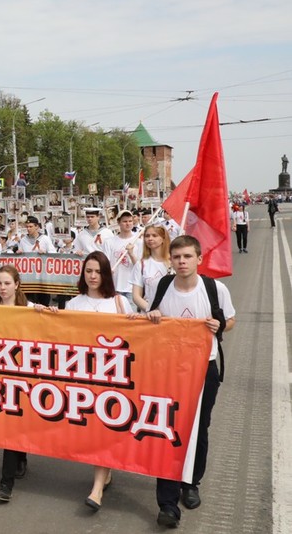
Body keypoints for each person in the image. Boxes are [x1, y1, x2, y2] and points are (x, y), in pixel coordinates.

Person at [145, 235, 236, 529]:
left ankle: (191, 482)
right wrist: (153, 316)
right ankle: (168, 503)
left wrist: (219, 325)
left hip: (204, 368)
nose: (182, 262)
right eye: (177, 257)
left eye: (187, 256)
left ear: (199, 259)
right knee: (168, 429)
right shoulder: (162, 287)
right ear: (170, 260)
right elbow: (149, 320)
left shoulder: (214, 288)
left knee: (199, 427)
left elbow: (231, 320)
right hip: (168, 370)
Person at [63, 251, 132, 513]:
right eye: (88, 271)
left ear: (106, 274)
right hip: (83, 377)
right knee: (93, 432)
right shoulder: (72, 304)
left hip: (112, 378)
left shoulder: (119, 303)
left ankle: (97, 489)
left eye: (98, 271)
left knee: (105, 429)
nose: (93, 276)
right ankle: (107, 470)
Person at [0, 265, 41, 502]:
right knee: (10, 424)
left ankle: (5, 483)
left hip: (23, 375)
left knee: (15, 423)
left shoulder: (28, 309)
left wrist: (43, 314)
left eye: (7, 283)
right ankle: (18, 458)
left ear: (17, 284)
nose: (3, 288)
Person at [103, 210, 141, 305]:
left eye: (130, 221)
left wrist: (131, 254)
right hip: (114, 286)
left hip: (131, 288)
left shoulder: (139, 241)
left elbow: (140, 267)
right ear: (119, 223)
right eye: (124, 221)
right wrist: (107, 270)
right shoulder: (109, 242)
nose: (128, 224)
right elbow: (104, 262)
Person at [132, 224, 172, 312]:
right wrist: (151, 310)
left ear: (163, 238)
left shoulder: (173, 262)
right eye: (147, 236)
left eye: (154, 235)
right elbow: (136, 296)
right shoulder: (141, 264)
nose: (150, 238)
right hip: (149, 315)